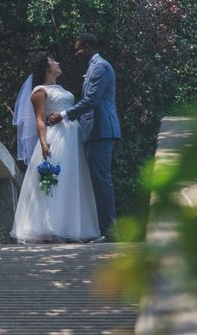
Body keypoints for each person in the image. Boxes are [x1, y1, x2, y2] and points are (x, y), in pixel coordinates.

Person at [10, 53, 100, 243]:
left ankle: (71, 227)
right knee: (54, 181)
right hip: (56, 138)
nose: (58, 63)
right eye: (53, 61)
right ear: (46, 68)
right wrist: (43, 143)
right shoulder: (39, 91)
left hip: (72, 138)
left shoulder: (60, 88)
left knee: (71, 181)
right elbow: (40, 120)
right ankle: (49, 227)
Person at [47, 33, 121, 242]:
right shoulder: (92, 68)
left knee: (102, 181)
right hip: (93, 132)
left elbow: (91, 101)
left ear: (88, 47)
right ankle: (105, 230)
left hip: (101, 131)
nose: (76, 53)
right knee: (98, 182)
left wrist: (63, 115)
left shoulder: (100, 67)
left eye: (79, 48)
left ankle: (111, 232)